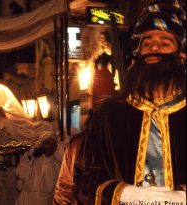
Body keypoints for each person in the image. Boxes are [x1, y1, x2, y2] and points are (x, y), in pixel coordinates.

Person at [74, 1, 186, 204]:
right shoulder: (108, 114)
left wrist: (182, 197)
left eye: (165, 42)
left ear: (182, 56)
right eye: (147, 42)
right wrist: (122, 193)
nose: (154, 47)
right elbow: (84, 176)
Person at [15, 131, 60, 205]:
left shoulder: (57, 163)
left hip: (46, 200)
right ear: (42, 144)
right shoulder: (32, 158)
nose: (50, 146)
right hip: (28, 199)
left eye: (53, 144)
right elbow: (21, 174)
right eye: (48, 143)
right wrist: (29, 157)